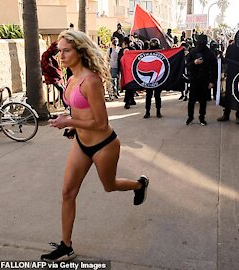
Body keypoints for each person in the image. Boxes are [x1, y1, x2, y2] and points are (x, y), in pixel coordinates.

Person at [41, 30, 149, 262]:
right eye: (59, 51)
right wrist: (71, 123)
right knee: (67, 192)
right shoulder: (70, 79)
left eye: (66, 51)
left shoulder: (91, 81)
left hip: (104, 145)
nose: (61, 56)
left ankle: (139, 185)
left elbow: (101, 124)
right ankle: (66, 246)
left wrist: (69, 121)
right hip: (81, 143)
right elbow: (80, 111)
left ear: (80, 51)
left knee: (109, 186)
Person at [185, 34, 217, 125]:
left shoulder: (210, 53)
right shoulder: (193, 52)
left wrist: (212, 81)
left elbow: (214, 68)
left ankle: (202, 118)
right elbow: (188, 65)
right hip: (194, 80)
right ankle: (190, 117)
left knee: (203, 101)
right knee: (191, 101)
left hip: (205, 80)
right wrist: (194, 63)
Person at [41, 40, 67, 109]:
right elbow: (48, 67)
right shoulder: (46, 55)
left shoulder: (51, 55)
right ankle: (66, 106)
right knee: (62, 90)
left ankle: (65, 104)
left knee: (64, 90)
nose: (57, 52)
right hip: (51, 77)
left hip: (55, 76)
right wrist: (58, 73)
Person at [143, 37, 164, 118]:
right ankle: (147, 111)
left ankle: (158, 111)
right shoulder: (147, 52)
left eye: (154, 43)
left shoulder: (161, 51)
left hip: (158, 77)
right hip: (149, 78)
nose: (153, 44)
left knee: (157, 95)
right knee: (148, 95)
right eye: (152, 43)